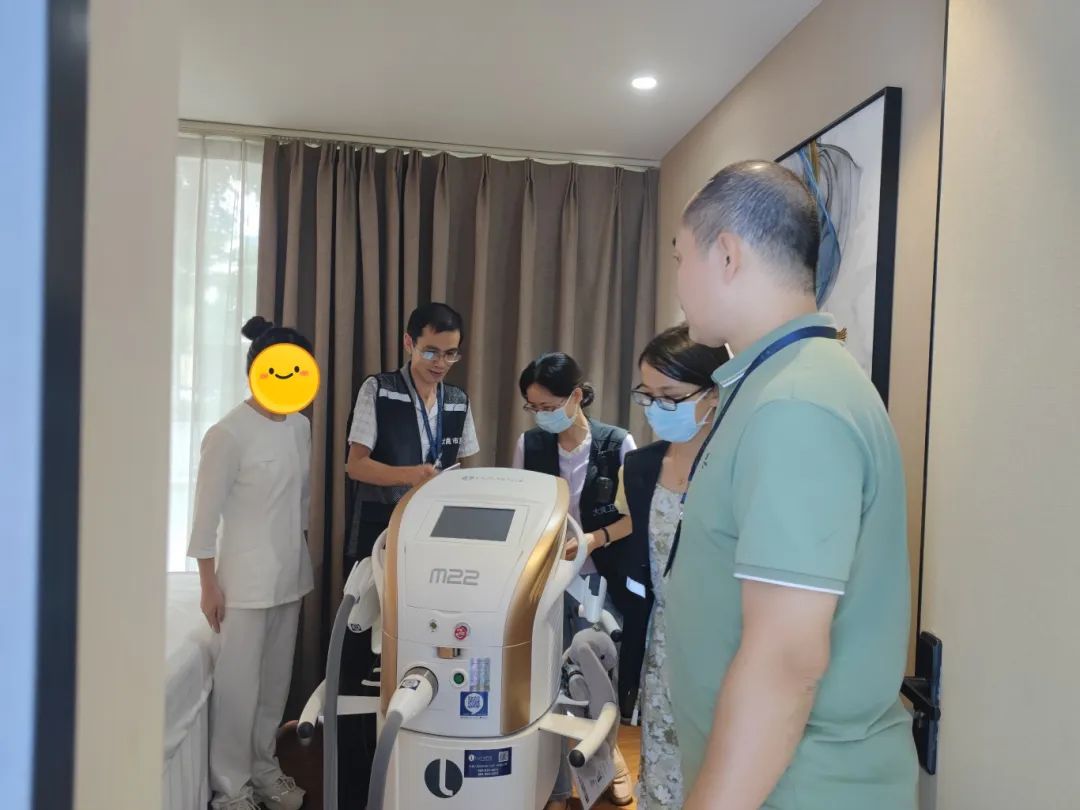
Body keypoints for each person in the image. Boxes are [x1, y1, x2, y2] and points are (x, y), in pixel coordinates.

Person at [665, 160, 917, 810]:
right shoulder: (774, 383)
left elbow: (786, 661)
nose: (678, 280)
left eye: (680, 257)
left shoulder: (797, 403)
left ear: (727, 255)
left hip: (800, 789)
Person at [340, 301, 479, 806]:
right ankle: (357, 779)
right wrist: (412, 475)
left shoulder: (458, 399)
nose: (441, 363)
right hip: (377, 539)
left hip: (434, 547)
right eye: (431, 351)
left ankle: (419, 770)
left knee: (423, 650)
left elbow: (468, 469)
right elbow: (356, 466)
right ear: (408, 343)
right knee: (363, 659)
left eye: (451, 353)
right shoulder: (378, 390)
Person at [188, 316, 313, 810]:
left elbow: (301, 502)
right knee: (238, 692)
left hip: (290, 576)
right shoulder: (228, 434)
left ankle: (264, 770)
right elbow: (204, 521)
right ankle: (231, 789)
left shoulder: (300, 426)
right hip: (243, 583)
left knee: (273, 689)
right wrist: (209, 585)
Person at [512, 352, 636, 810]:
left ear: (576, 396)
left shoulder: (616, 444)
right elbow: (521, 513)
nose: (540, 415)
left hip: (601, 580)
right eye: (533, 407)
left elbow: (634, 518)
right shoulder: (530, 446)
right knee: (549, 681)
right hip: (548, 583)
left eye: (548, 406)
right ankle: (556, 782)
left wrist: (593, 539)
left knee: (597, 678)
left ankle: (608, 757)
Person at [614, 324, 730, 810]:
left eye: (671, 397)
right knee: (664, 774)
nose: (657, 408)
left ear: (713, 392)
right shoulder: (641, 467)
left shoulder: (738, 463)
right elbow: (639, 543)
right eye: (648, 395)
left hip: (727, 648)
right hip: (661, 644)